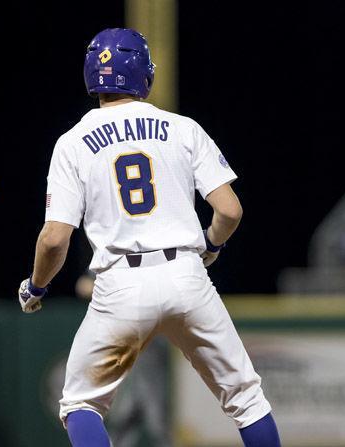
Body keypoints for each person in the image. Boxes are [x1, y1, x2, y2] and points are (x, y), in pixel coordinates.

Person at [18, 28, 281, 447]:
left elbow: (53, 240)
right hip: (186, 274)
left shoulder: (72, 143)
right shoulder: (182, 128)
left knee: (81, 405)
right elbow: (230, 210)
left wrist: (37, 286)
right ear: (144, 74)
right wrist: (212, 244)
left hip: (121, 283)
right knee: (247, 399)